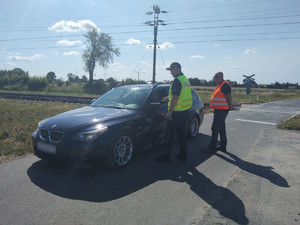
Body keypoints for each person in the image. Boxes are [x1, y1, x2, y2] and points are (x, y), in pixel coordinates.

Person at [154, 62, 193, 163]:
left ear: (177, 68)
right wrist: (166, 99)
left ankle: (165, 157)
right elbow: (176, 96)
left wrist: (170, 112)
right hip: (184, 112)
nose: (170, 72)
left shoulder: (177, 80)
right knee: (181, 135)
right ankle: (183, 155)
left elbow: (175, 97)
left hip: (176, 113)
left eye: (171, 69)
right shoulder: (185, 80)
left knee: (169, 136)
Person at [203, 72, 232, 153]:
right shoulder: (220, 84)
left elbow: (229, 97)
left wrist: (230, 107)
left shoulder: (224, 85)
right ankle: (223, 146)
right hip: (219, 110)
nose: (214, 78)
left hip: (222, 110)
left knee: (215, 128)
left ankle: (212, 147)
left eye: (216, 77)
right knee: (221, 128)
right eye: (214, 77)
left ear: (221, 77)